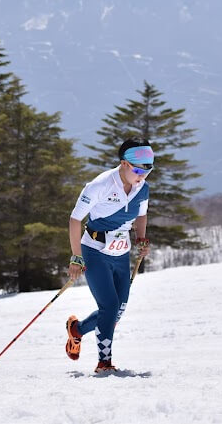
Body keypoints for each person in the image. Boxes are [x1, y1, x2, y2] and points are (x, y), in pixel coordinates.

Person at [65, 138, 154, 373]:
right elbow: (75, 220)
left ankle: (77, 330)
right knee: (110, 305)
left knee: (118, 309)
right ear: (124, 164)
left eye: (148, 171)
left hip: (121, 253)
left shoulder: (142, 189)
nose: (142, 176)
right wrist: (76, 257)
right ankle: (104, 362)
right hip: (94, 250)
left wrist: (141, 239)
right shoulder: (100, 185)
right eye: (137, 170)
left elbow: (141, 216)